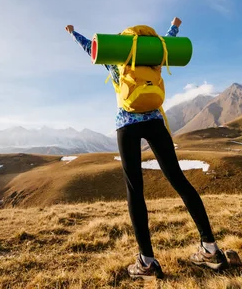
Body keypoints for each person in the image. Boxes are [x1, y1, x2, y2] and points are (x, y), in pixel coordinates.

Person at [65, 18, 228, 279]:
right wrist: (175, 27)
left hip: (126, 124)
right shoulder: (152, 56)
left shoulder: (115, 59)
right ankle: (210, 249)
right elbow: (167, 42)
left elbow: (89, 48)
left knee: (135, 190)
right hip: (155, 121)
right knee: (179, 180)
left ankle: (147, 262)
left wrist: (74, 34)